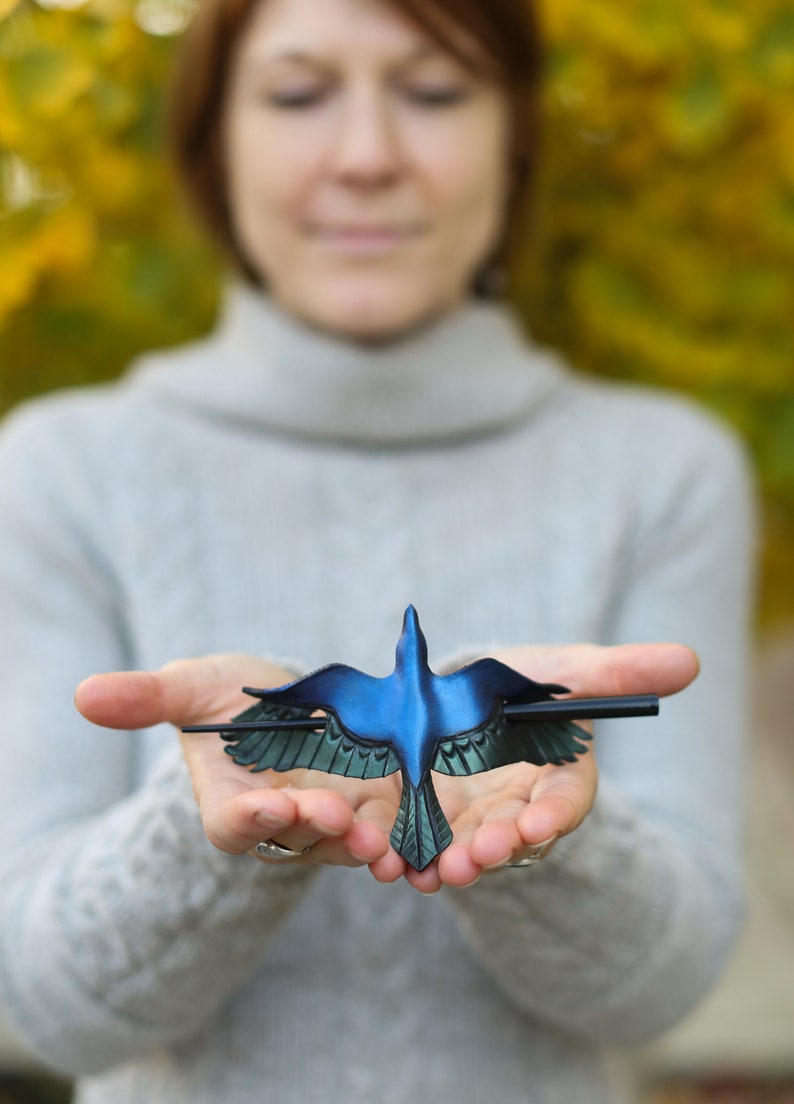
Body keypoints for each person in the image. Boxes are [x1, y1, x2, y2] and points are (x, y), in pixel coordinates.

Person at [0, 0, 755, 1101]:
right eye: (298, 94)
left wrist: (543, 836)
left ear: (515, 141)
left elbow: (663, 990)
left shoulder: (661, 470)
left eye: (435, 92)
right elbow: (42, 1006)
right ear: (215, 143)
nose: (365, 157)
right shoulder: (60, 469)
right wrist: (213, 822)